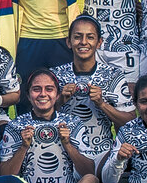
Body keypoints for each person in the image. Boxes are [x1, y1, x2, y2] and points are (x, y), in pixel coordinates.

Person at [0, 69, 99, 183]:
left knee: (91, 180)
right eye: (36, 89)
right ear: (28, 95)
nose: (43, 94)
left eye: (49, 89)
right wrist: (23, 147)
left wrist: (68, 145)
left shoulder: (74, 123)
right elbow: (5, 176)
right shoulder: (15, 125)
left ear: (57, 95)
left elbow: (89, 171)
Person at [54, 16, 135, 164]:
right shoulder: (55, 75)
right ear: (68, 42)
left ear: (99, 43)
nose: (83, 42)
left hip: (101, 154)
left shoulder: (113, 76)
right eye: (77, 37)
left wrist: (102, 104)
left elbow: (130, 121)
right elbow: (38, 116)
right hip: (63, 153)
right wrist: (60, 101)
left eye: (90, 37)